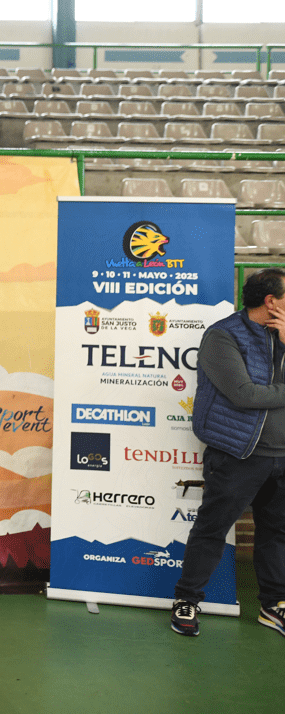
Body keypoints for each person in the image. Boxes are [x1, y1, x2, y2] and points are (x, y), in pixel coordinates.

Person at [171, 267, 285, 638]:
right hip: (238, 454)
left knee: (277, 533)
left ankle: (274, 605)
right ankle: (187, 599)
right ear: (271, 301)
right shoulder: (223, 336)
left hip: (282, 456)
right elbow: (244, 394)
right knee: (212, 529)